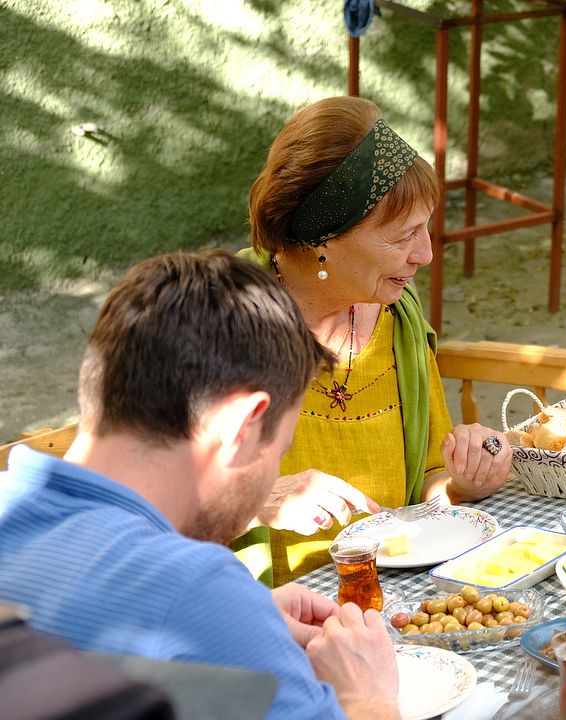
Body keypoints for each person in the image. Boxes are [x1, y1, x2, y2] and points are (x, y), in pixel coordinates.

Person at [0, 251, 401, 719]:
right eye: (281, 450)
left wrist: (245, 616)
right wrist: (367, 698)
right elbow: (172, 599)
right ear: (242, 427)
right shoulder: (195, 586)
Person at [237, 96, 514, 584]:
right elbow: (146, 501)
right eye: (402, 236)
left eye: (425, 227)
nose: (425, 254)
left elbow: (429, 480)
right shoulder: (217, 322)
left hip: (395, 600)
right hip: (265, 619)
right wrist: (255, 498)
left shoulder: (397, 315)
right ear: (324, 238)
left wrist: (464, 481)